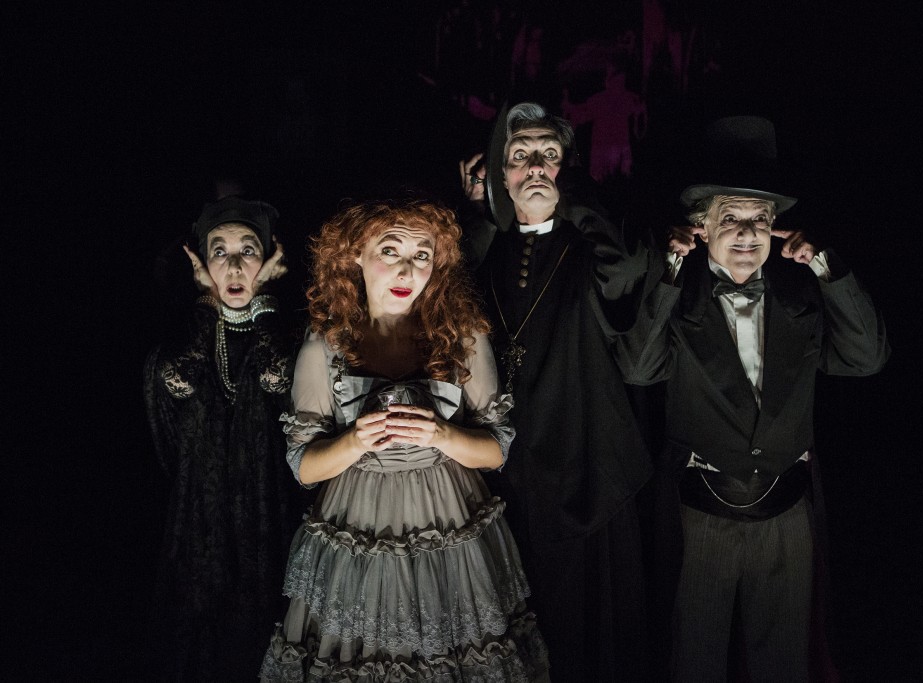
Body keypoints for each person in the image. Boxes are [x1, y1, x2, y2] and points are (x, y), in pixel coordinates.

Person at [611, 116, 890, 681]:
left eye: (759, 220)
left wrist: (826, 265)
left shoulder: (801, 294)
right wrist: (669, 269)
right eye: (731, 219)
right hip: (702, 516)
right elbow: (638, 369)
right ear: (702, 227)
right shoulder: (677, 293)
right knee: (695, 658)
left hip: (787, 512)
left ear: (775, 227)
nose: (746, 234)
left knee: (782, 661)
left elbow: (867, 357)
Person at [258, 200, 548, 682]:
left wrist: (442, 434)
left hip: (449, 523)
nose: (406, 270)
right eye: (390, 250)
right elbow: (303, 466)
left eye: (421, 255)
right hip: (358, 525)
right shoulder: (325, 345)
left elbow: (497, 449)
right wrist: (354, 442)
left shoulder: (462, 336)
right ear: (355, 253)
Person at [457, 102, 653, 682]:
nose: (536, 167)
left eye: (550, 155)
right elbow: (448, 288)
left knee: (583, 631)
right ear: (499, 172)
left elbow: (624, 274)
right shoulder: (489, 247)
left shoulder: (589, 242)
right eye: (519, 156)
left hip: (584, 457)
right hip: (507, 469)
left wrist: (572, 200)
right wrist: (483, 210)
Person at [144, 195, 306, 681]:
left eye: (248, 250)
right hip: (200, 532)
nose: (234, 267)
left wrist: (266, 300)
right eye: (219, 252)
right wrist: (205, 303)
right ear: (199, 263)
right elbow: (179, 382)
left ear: (272, 259)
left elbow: (280, 378)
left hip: (272, 525)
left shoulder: (290, 334)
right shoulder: (180, 339)